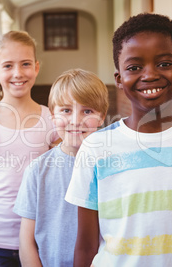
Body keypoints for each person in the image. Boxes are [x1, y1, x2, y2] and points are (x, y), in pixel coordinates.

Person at [65, 13, 172, 267]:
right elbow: (86, 246)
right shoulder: (96, 148)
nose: (150, 75)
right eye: (134, 68)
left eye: (164, 63)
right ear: (119, 80)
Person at [0, 31, 58, 267]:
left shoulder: (52, 119)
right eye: (8, 66)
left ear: (36, 67)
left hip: (40, 238)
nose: (18, 73)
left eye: (25, 64)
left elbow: (58, 184)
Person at [13, 68, 109, 266]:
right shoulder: (38, 170)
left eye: (87, 111)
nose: (75, 120)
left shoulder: (111, 167)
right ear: (52, 116)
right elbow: (26, 241)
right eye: (66, 110)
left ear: (102, 117)